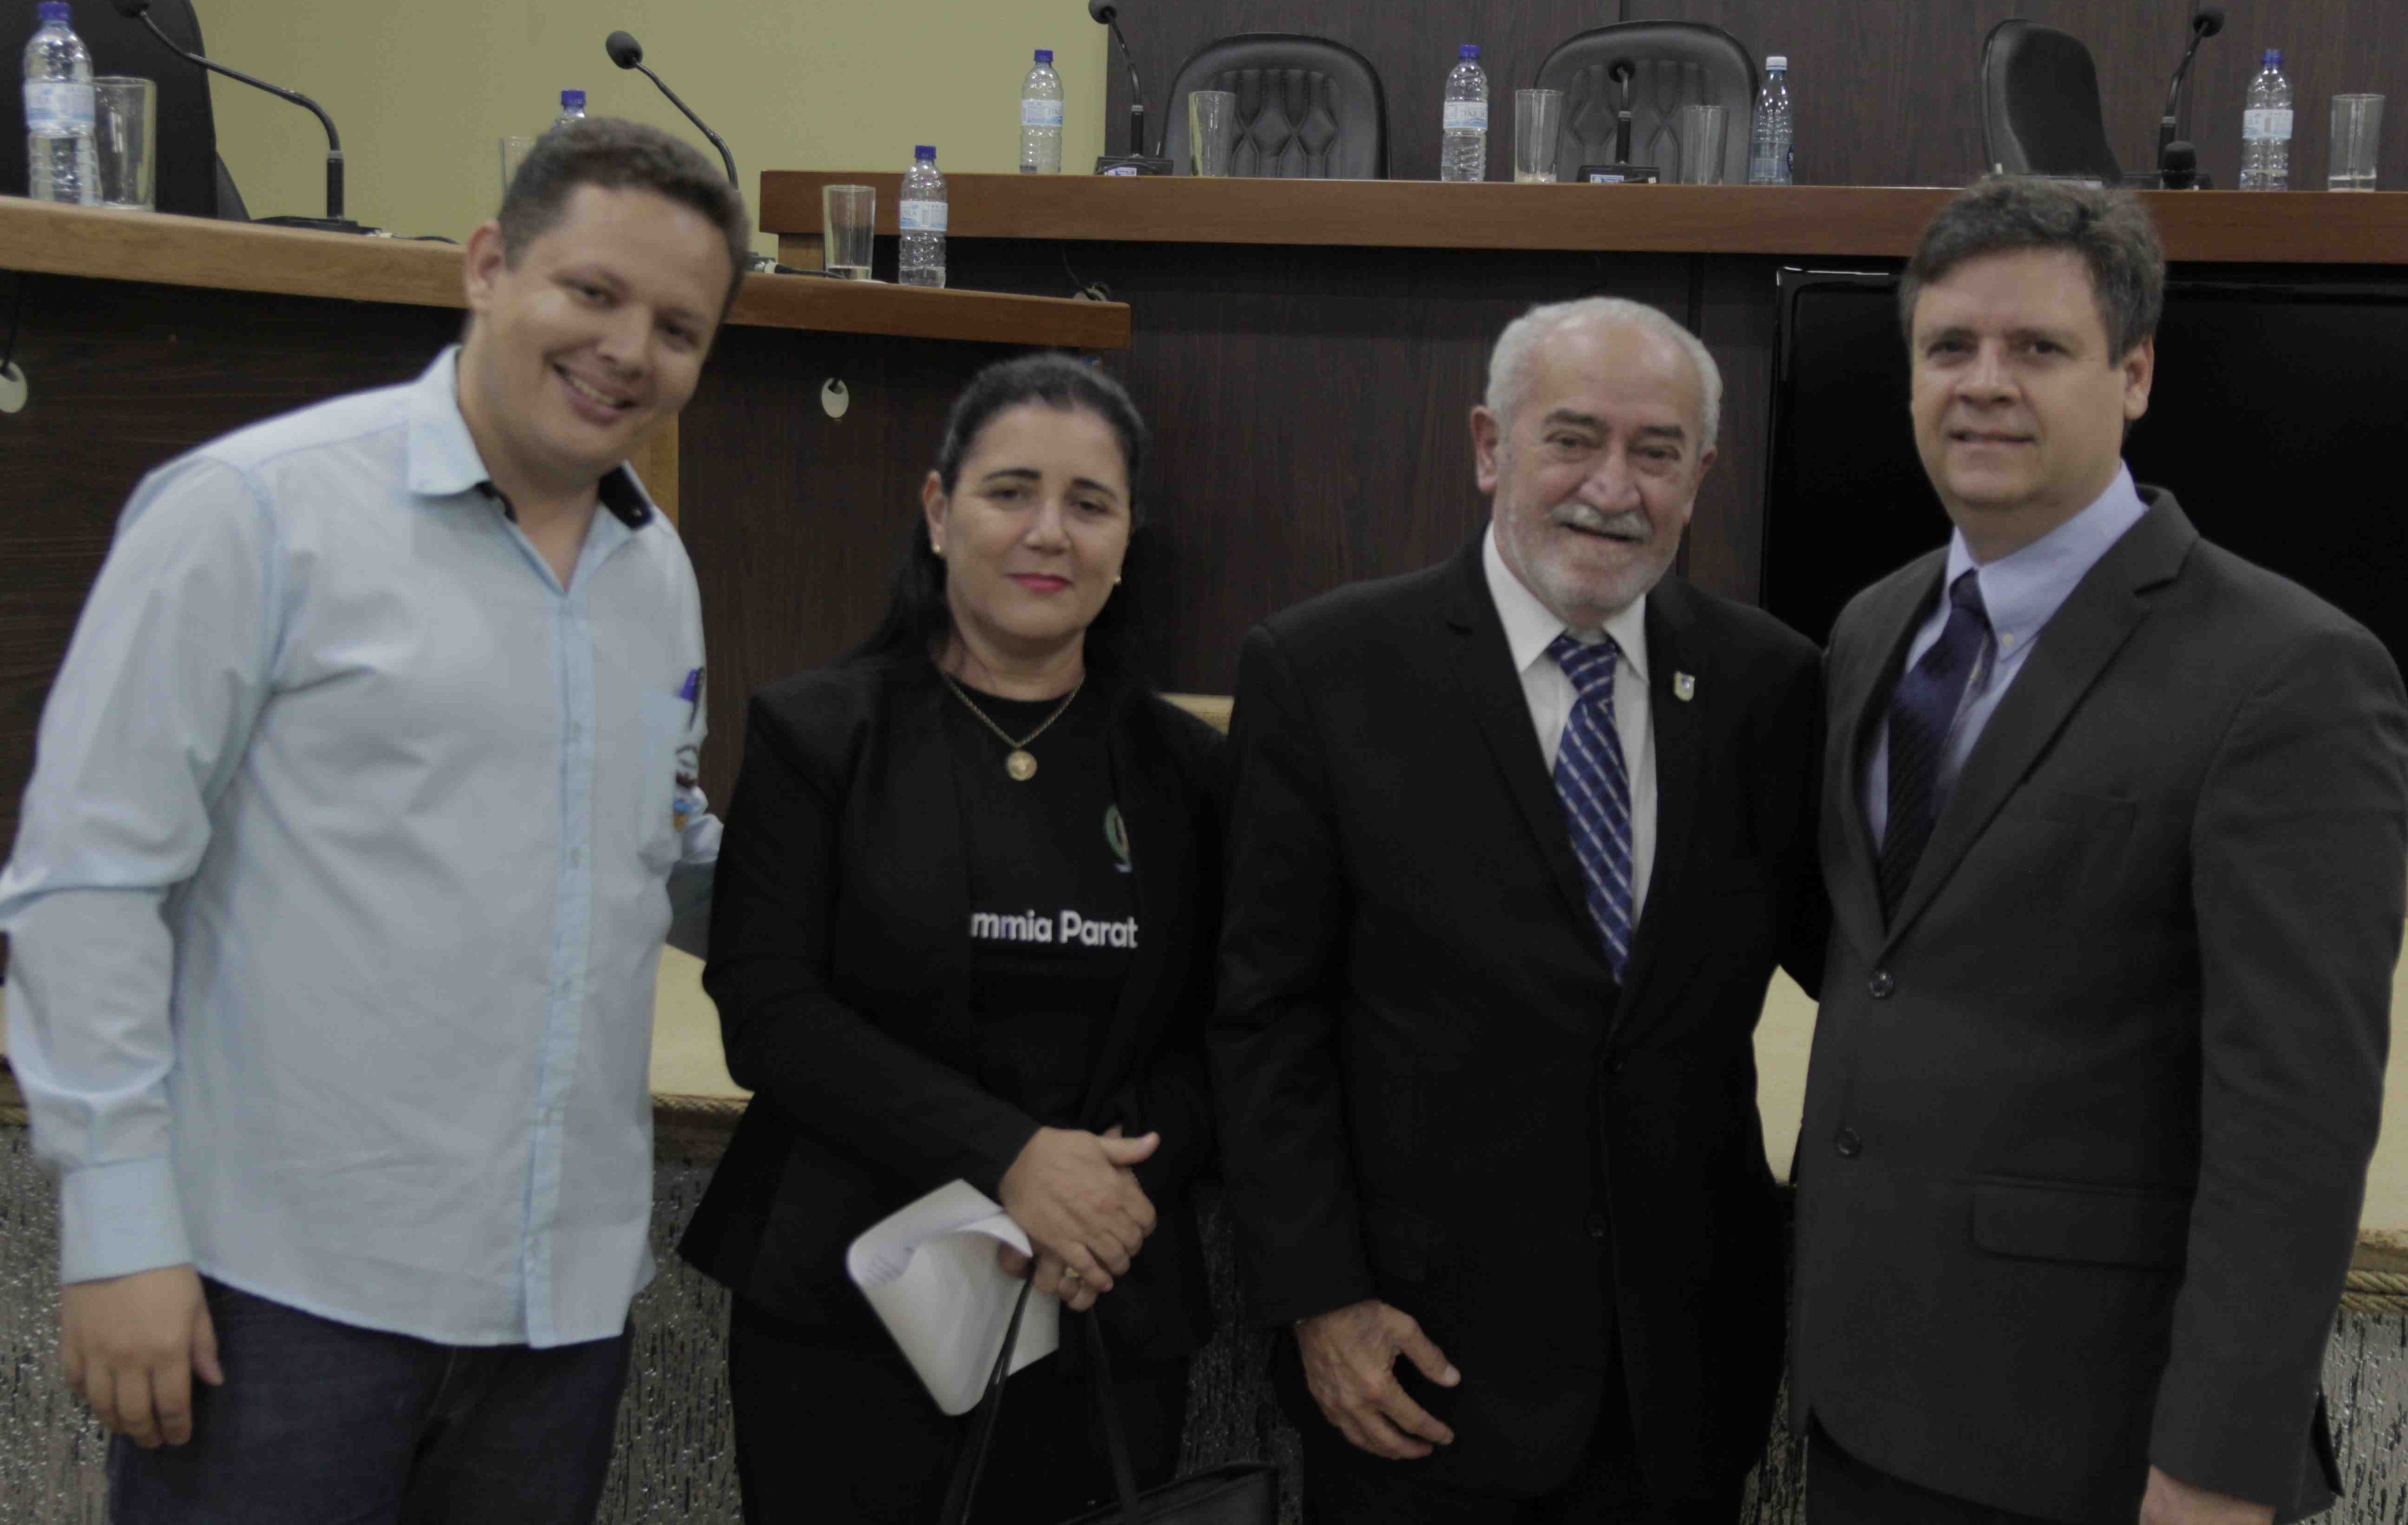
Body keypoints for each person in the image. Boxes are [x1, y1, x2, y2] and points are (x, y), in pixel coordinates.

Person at [0, 118, 747, 1523]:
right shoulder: (253, 512)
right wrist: (116, 1225)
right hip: (277, 1301)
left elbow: (651, 843)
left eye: (678, 329)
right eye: (592, 292)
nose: (626, 351)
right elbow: (86, 882)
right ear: (488, 266)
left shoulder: (657, 575)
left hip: (558, 1310)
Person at [1792, 176, 2408, 1525]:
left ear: (2133, 374)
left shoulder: (2290, 672)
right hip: (1862, 1396)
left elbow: (2295, 1117)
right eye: (1949, 346)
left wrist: (2216, 1465)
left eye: (2039, 347)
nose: (1983, 383)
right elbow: (1886, 960)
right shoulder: (1872, 626)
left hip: (2101, 1442)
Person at [1211, 297, 1825, 1523]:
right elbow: (1264, 1020)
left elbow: (1863, 973)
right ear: (1491, 446)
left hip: (1679, 1385)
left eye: (1656, 452)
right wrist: (1321, 1300)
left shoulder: (1770, 685)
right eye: (1573, 439)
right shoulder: (1324, 672)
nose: (1613, 487)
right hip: (1413, 1370)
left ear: (1700, 477)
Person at [677, 353, 1223, 1523]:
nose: (1049, 531)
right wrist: (1015, 1159)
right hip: (850, 1301)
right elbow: (768, 1012)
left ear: (1126, 539)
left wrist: (1106, 1196)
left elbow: (1233, 1031)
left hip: (1098, 1298)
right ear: (938, 511)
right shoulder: (817, 734)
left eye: (1090, 503)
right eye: (1010, 491)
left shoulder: (1191, 772)